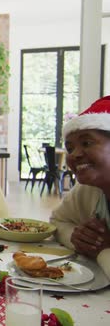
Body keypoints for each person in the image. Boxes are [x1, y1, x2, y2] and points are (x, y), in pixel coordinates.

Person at [50, 95, 110, 278]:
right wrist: (77, 237)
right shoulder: (88, 189)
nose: (74, 154)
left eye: (87, 143)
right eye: (69, 148)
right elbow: (57, 222)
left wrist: (102, 249)